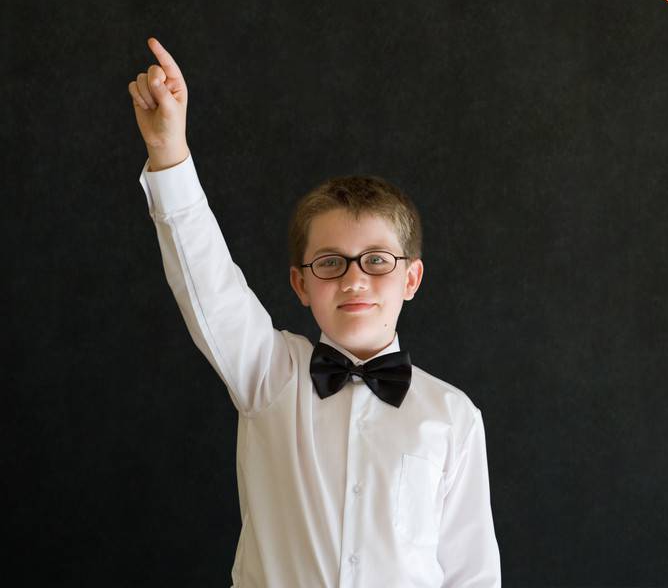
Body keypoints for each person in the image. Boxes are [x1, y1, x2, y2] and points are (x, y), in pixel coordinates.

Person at [129, 35, 501, 588]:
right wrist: (169, 153)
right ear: (301, 284)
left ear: (412, 277)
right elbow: (209, 284)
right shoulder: (269, 376)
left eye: (376, 260)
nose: (354, 279)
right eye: (331, 262)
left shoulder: (452, 416)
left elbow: (471, 576)